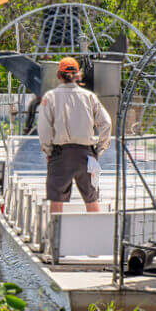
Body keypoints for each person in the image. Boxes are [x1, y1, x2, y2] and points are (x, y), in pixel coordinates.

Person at [37, 57, 112, 213]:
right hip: (86, 155)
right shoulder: (90, 97)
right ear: (78, 75)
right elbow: (106, 123)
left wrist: (48, 151)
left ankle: (55, 236)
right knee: (91, 199)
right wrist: (98, 149)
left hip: (60, 154)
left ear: (58, 75)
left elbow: (43, 129)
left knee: (56, 200)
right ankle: (95, 233)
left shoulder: (50, 97)